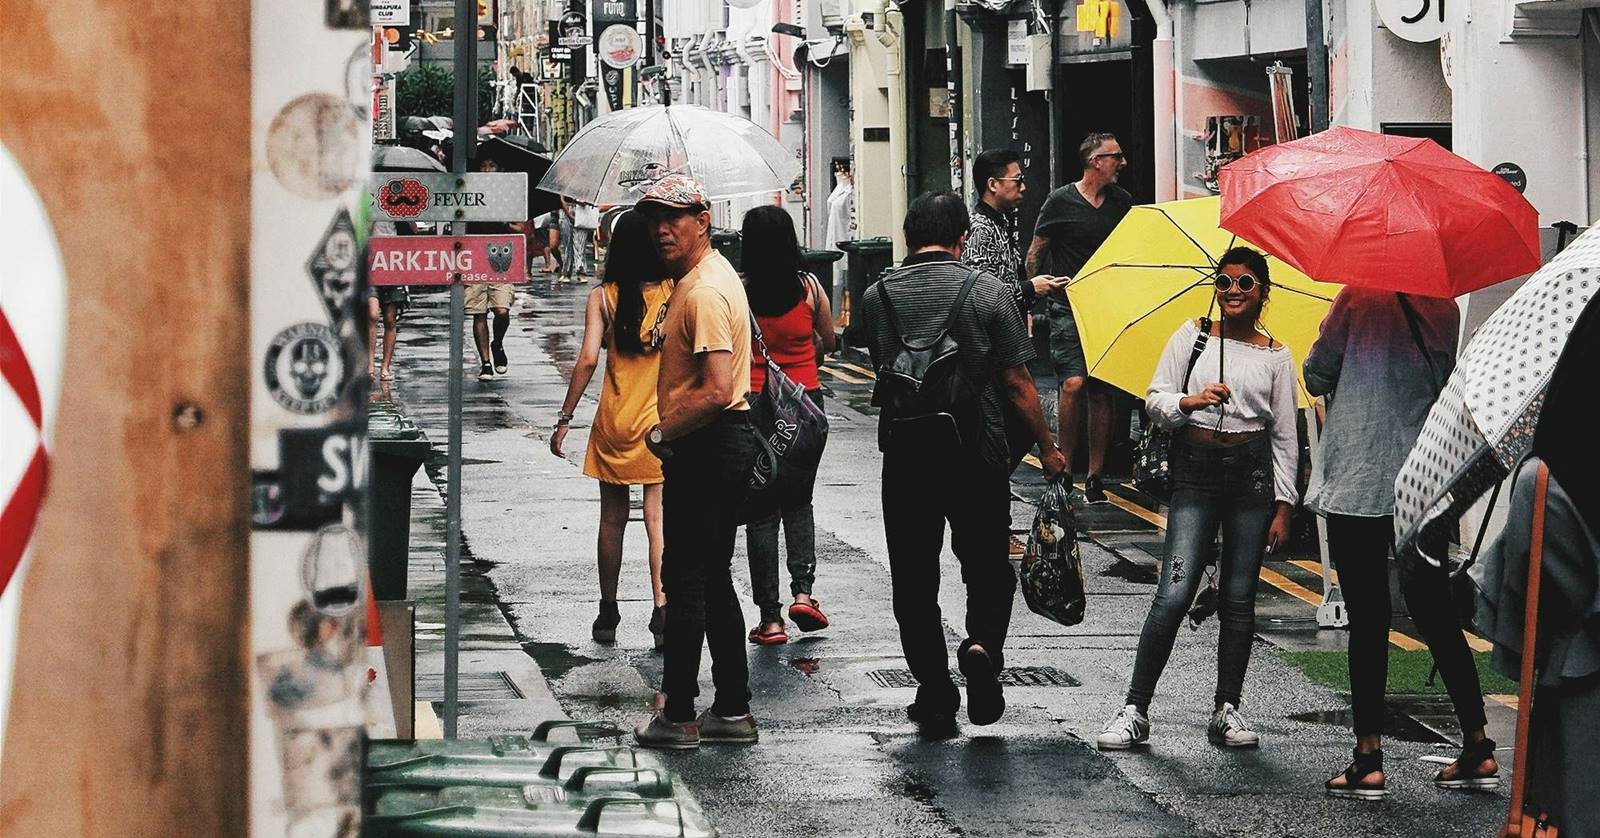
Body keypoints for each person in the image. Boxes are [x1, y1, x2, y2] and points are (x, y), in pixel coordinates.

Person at [858, 192, 1067, 735]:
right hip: (978, 455)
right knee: (987, 569)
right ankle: (980, 648)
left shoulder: (876, 295)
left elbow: (883, 366)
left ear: (908, 238)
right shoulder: (990, 294)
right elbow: (1020, 385)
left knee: (913, 577)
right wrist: (1047, 448)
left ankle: (933, 689)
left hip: (905, 456)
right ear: (962, 238)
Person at [1096, 247, 1297, 752]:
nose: (1233, 292)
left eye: (1245, 284)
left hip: (1251, 478)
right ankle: (1135, 709)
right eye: (1224, 282)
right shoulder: (1193, 334)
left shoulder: (1276, 354)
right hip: (1196, 474)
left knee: (1238, 597)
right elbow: (1155, 398)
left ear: (1262, 292)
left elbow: (1285, 436)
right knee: (1174, 591)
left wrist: (1284, 505)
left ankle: (1227, 709)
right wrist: (1191, 401)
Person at [1302, 288, 1498, 799]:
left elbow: (1316, 375)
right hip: (1421, 482)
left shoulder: (1355, 298)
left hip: (1360, 478)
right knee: (1433, 612)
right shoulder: (1444, 308)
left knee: (1367, 618)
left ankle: (1368, 759)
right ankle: (1478, 745)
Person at [632, 175, 762, 750]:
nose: (662, 229)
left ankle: (679, 711)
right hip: (716, 443)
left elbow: (713, 390)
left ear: (702, 221)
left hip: (708, 444)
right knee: (712, 577)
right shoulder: (697, 280)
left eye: (674, 218)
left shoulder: (705, 290)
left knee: (684, 578)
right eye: (654, 218)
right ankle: (731, 708)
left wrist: (663, 429)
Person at [550, 210, 673, 651]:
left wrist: (565, 419)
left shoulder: (603, 296)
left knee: (611, 520)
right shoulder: (673, 292)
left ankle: (608, 610)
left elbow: (586, 360)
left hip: (614, 421)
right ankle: (662, 608)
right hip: (659, 423)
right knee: (657, 519)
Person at [739, 205, 837, 646]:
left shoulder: (738, 294)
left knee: (760, 510)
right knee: (799, 501)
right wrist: (804, 350)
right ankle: (805, 593)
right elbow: (830, 341)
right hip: (805, 405)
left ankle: (771, 618)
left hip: (756, 406)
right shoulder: (809, 287)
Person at [1026, 132, 1134, 504]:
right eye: (1115, 156)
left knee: (1102, 391)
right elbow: (1035, 253)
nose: (1122, 162)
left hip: (1108, 307)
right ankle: (1064, 467)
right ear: (1095, 161)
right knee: (1072, 385)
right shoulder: (1060, 202)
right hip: (1066, 306)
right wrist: (1032, 295)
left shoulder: (1122, 202)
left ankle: (1095, 475)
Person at [964, 148, 1067, 318]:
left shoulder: (1002, 223)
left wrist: (1040, 287)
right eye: (1018, 180)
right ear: (992, 185)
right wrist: (1031, 287)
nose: (1024, 187)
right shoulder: (979, 230)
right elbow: (982, 296)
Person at [467, 156, 515, 380]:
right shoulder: (468, 192)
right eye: (483, 166)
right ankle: (485, 362)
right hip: (474, 255)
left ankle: (497, 343)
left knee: (502, 310)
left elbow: (519, 226)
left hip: (500, 258)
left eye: (492, 165)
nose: (487, 170)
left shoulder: (508, 194)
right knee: (478, 312)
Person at [367, 220, 410, 383]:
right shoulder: (371, 201)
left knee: (390, 319)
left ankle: (385, 366)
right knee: (372, 314)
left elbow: (413, 230)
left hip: (394, 261)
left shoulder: (399, 206)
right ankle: (370, 364)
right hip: (372, 261)